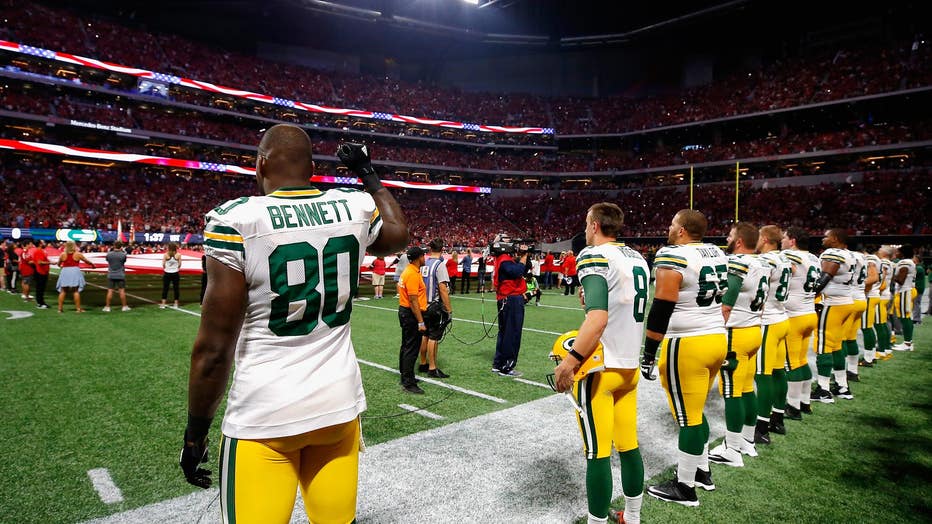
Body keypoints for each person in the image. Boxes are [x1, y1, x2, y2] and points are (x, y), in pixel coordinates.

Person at [181, 127, 408, 524]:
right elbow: (397, 236)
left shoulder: (237, 219)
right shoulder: (352, 206)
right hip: (338, 407)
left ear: (261, 162)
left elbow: (214, 351)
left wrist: (195, 431)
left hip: (265, 416)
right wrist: (368, 173)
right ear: (313, 168)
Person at [552, 203, 649, 524]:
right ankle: (632, 516)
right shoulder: (637, 258)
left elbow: (598, 319)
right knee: (629, 444)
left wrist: (569, 362)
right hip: (629, 368)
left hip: (601, 369)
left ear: (594, 225)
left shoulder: (594, 255)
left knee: (598, 452)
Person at [642, 209, 727, 507]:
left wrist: (649, 352)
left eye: (672, 222)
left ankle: (685, 486)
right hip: (717, 337)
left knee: (688, 418)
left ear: (681, 230)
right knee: (696, 410)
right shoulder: (717, 252)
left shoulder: (673, 254)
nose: (668, 225)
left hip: (688, 342)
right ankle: (701, 470)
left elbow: (662, 307)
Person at [708, 222, 768, 466]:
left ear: (740, 240)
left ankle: (731, 449)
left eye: (731, 235)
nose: (728, 238)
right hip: (754, 330)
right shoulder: (762, 263)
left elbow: (727, 303)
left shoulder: (737, 262)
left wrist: (715, 329)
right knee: (746, 389)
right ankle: (747, 441)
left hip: (736, 332)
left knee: (732, 392)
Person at [810, 228, 857, 403]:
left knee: (823, 344)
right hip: (846, 300)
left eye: (826, 236)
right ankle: (842, 386)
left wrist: (810, 292)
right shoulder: (851, 255)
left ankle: (823, 389)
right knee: (836, 345)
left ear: (835, 239)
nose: (823, 238)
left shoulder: (833, 253)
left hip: (832, 303)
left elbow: (825, 277)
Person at [755, 225, 793, 442]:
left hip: (768, 320)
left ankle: (761, 427)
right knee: (779, 372)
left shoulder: (767, 260)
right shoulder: (785, 259)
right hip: (782, 318)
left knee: (763, 375)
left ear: (766, 238)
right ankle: (778, 418)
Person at [780, 227, 821, 417]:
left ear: (793, 241)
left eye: (785, 238)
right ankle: (805, 402)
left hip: (794, 315)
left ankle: (793, 406)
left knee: (791, 363)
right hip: (809, 312)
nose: (782, 241)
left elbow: (785, 272)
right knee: (802, 360)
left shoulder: (790, 256)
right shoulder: (814, 258)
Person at [492, 242, 531, 377]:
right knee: (512, 332)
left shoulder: (502, 259)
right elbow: (517, 271)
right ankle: (506, 366)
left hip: (505, 298)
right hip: (511, 299)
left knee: (504, 332)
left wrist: (525, 257)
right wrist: (523, 257)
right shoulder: (504, 260)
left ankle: (498, 363)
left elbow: (525, 269)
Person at [418, 239, 453, 378]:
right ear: (442, 248)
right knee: (434, 336)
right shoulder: (439, 265)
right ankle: (432, 367)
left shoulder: (423, 263)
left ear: (430, 249)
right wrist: (448, 309)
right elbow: (443, 288)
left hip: (423, 304)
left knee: (424, 335)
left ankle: (422, 363)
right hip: (434, 305)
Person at [399, 245, 428, 393]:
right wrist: (420, 321)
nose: (425, 258)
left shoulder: (410, 271)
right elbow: (413, 300)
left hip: (405, 311)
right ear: (418, 258)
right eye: (423, 255)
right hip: (411, 313)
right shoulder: (412, 274)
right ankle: (408, 382)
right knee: (411, 348)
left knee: (406, 345)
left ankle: (405, 375)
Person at [56, 240, 95, 313]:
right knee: (75, 291)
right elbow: (86, 261)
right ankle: (78, 309)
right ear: (74, 246)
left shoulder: (62, 254)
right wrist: (92, 265)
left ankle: (60, 309)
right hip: (74, 271)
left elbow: (58, 264)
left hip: (65, 271)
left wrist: (63, 267)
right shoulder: (78, 254)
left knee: (63, 291)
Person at [892, 245, 917, 351]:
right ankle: (908, 342)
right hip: (907, 290)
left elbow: (901, 279)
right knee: (906, 317)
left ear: (903, 253)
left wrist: (890, 275)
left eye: (898, 251)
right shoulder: (908, 261)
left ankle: (907, 344)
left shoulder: (905, 262)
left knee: (905, 317)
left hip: (904, 291)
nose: (896, 253)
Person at [103, 241, 130, 312]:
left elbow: (107, 261)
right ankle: (124, 306)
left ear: (114, 246)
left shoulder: (109, 254)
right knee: (122, 291)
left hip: (111, 274)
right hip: (120, 274)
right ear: (121, 246)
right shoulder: (123, 255)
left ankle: (107, 307)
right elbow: (123, 262)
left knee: (110, 291)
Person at [29, 240, 52, 309]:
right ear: (40, 244)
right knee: (40, 288)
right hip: (40, 272)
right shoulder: (39, 251)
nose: (44, 243)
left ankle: (41, 302)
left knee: (40, 288)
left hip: (41, 271)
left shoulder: (39, 251)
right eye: (43, 242)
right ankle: (40, 303)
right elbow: (39, 262)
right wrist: (50, 263)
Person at [160, 242, 182, 309]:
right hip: (175, 273)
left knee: (165, 288)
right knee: (176, 288)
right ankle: (176, 304)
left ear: (168, 247)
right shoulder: (178, 255)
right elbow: (180, 264)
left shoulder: (165, 255)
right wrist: (175, 268)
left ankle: (163, 304)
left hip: (167, 273)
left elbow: (163, 264)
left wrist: (167, 268)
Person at [911, 253, 925, 325]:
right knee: (916, 304)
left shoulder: (918, 268)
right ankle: (916, 318)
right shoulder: (918, 267)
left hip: (918, 288)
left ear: (916, 260)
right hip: (918, 287)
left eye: (913, 258)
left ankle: (917, 319)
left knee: (916, 304)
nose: (912, 259)